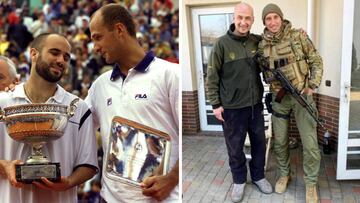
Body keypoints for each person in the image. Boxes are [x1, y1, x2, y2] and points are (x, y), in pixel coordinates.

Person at [86, 3, 179, 202]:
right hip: (109, 199)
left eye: (98, 37)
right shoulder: (99, 86)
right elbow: (74, 124)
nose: (95, 47)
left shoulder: (169, 74)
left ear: (119, 29)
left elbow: (189, 137)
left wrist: (172, 178)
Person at [0, 33, 99, 203]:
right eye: (54, 53)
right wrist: (5, 166)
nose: (61, 60)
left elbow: (88, 164)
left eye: (66, 57)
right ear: (33, 54)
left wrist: (69, 182)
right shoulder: (3, 103)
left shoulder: (78, 107)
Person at [205, 2, 272, 202]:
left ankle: (259, 177)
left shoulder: (256, 42)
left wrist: (298, 34)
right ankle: (239, 181)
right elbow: (212, 76)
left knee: (259, 143)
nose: (243, 22)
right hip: (232, 109)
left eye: (247, 18)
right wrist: (215, 104)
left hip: (255, 106)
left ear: (252, 20)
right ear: (234, 18)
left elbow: (275, 41)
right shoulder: (221, 44)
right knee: (235, 147)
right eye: (240, 18)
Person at [258, 4, 323, 203]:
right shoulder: (261, 45)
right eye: (268, 19)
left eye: (275, 17)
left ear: (281, 18)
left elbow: (316, 61)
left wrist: (312, 85)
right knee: (281, 141)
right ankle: (285, 174)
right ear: (264, 22)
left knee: (310, 144)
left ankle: (311, 184)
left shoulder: (298, 36)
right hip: (279, 98)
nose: (272, 22)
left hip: (302, 97)